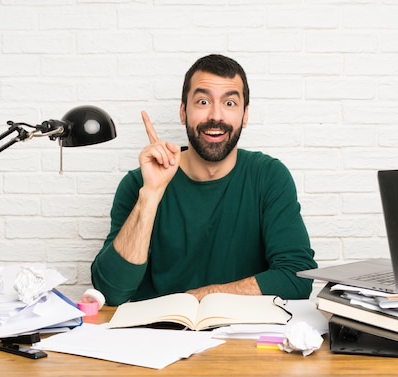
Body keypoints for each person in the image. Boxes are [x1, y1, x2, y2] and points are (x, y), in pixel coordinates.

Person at [91, 54, 317, 306]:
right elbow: (112, 291)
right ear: (183, 112)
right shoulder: (139, 183)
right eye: (202, 101)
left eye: (230, 103)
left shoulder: (269, 177)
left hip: (243, 339)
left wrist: (201, 296)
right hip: (158, 336)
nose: (216, 116)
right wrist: (150, 196)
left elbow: (297, 277)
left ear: (245, 115)